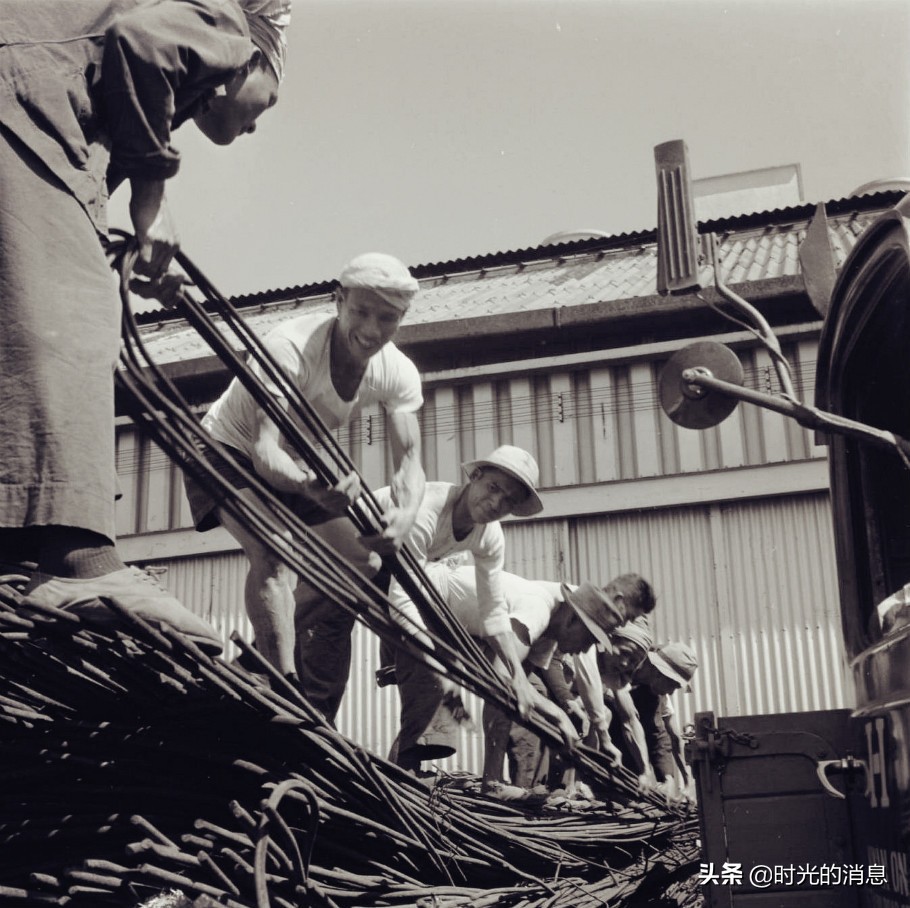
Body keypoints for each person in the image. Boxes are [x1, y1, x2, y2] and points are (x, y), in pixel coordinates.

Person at [1, 0, 292, 648]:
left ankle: (13, 551)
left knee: (22, 319)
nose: (254, 128)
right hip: (20, 106)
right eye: (266, 102)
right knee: (77, 314)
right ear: (247, 66)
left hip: (20, 106)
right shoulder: (232, 27)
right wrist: (152, 201)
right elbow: (144, 43)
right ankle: (81, 561)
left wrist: (131, 228)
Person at [185, 252, 426, 715]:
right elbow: (264, 451)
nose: (372, 330)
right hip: (224, 450)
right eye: (360, 312)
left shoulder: (396, 370)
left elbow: (410, 461)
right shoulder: (289, 346)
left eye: (388, 318)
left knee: (363, 561)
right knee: (275, 553)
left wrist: (407, 513)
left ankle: (258, 663)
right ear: (338, 300)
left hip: (298, 463)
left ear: (402, 319)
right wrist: (307, 485)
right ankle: (282, 692)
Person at [372, 445, 545, 772]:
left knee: (434, 658)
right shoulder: (427, 507)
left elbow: (493, 610)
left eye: (508, 500)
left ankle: (408, 766)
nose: (496, 503)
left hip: (398, 566)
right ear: (475, 476)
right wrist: (436, 660)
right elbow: (401, 601)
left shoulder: (490, 536)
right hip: (351, 546)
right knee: (325, 639)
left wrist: (518, 678)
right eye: (493, 488)